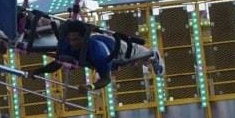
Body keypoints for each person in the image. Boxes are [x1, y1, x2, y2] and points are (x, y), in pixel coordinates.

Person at [33, 21, 164, 91]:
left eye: (76, 40)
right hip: (97, 43)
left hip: (116, 49)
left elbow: (106, 79)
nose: (73, 43)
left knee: (131, 57)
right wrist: (36, 72)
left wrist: (91, 87)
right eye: (71, 40)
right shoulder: (68, 45)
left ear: (83, 39)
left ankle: (152, 54)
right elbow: (57, 63)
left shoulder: (98, 51)